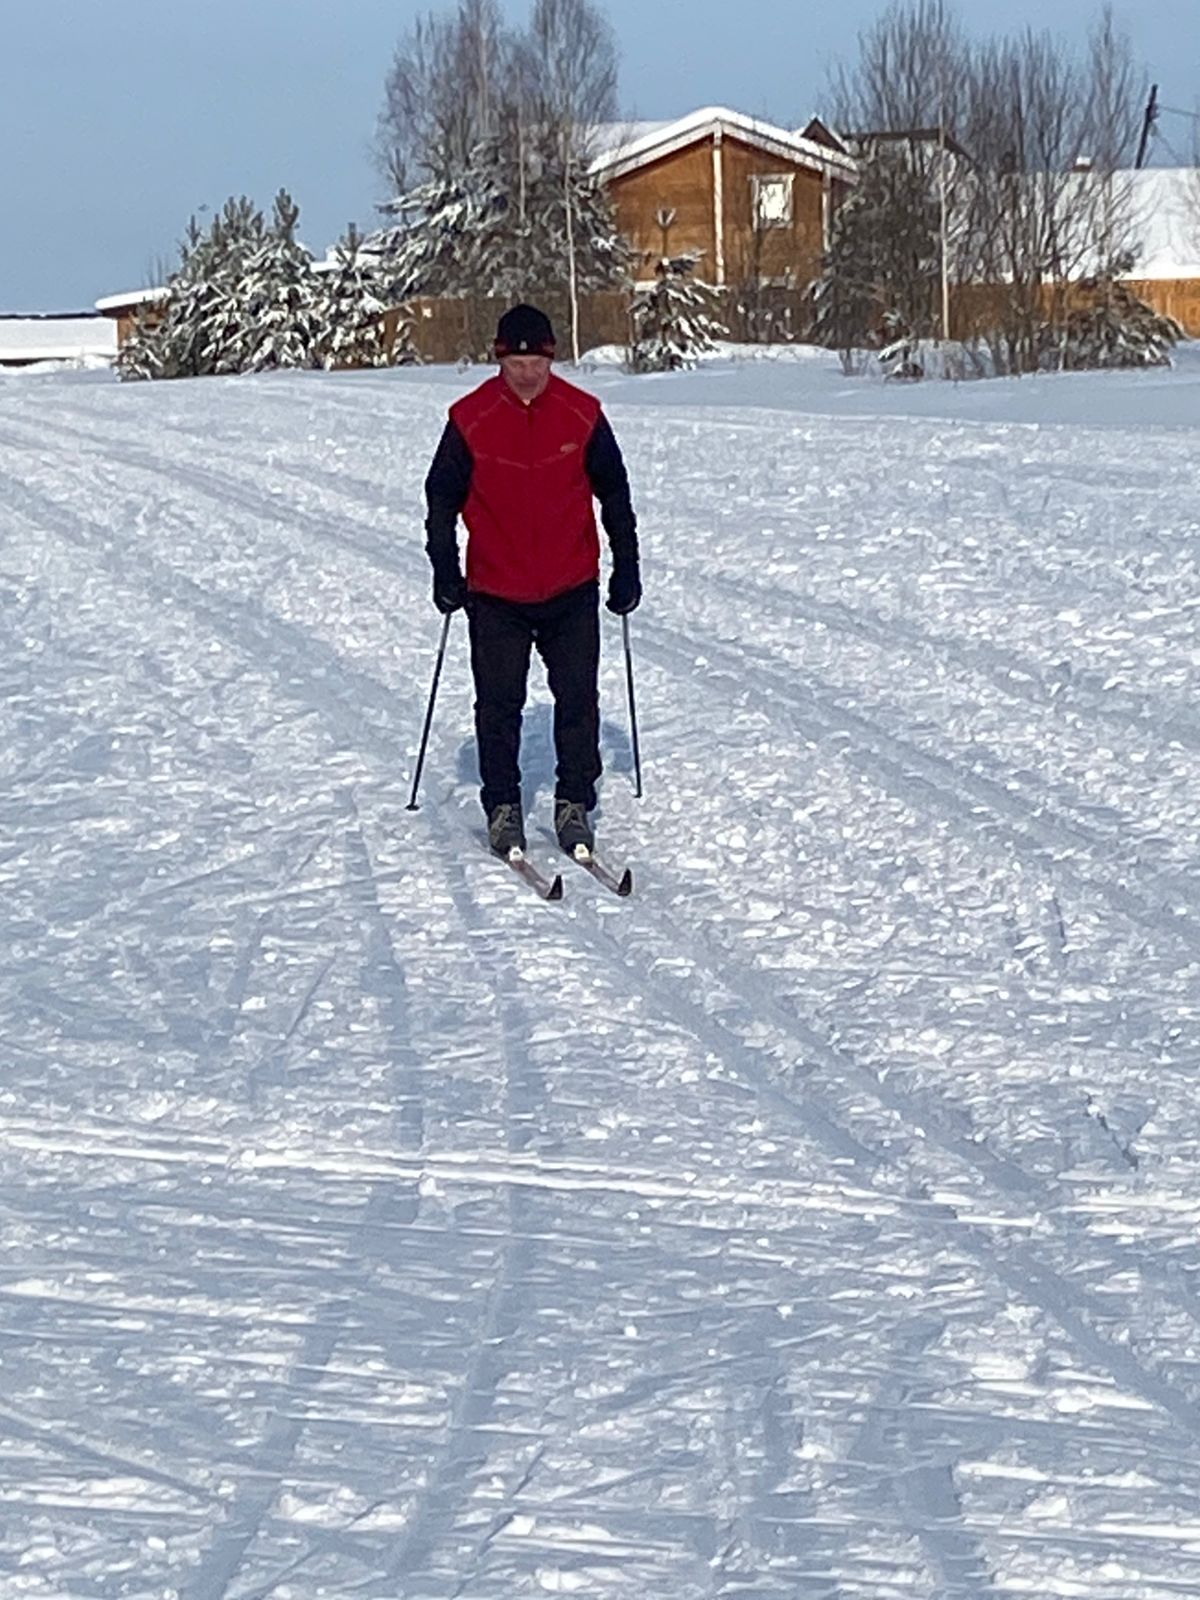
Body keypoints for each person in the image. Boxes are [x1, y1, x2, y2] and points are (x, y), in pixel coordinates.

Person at [423, 302, 641, 860]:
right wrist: (446, 569)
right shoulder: (468, 419)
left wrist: (627, 565)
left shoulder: (582, 413)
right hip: (496, 591)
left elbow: (614, 493)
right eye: (516, 362)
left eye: (536, 361)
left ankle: (574, 804)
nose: (526, 373)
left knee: (577, 700)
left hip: (571, 585)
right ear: (500, 359)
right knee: (498, 704)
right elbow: (441, 499)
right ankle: (502, 807)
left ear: (551, 358)